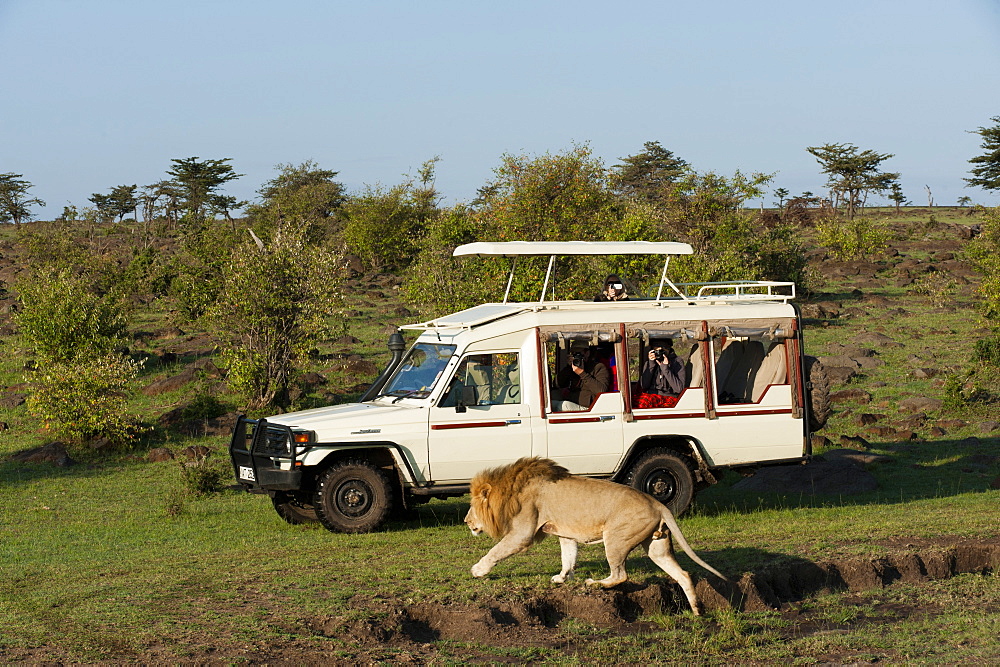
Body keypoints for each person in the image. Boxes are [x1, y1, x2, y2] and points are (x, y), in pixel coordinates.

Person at [551, 341, 610, 411]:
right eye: (574, 353)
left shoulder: (598, 367)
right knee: (551, 398)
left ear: (587, 353)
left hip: (589, 408)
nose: (576, 356)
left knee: (564, 405)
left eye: (578, 353)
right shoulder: (571, 368)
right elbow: (557, 384)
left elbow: (601, 390)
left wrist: (582, 374)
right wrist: (569, 368)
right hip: (572, 401)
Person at [636, 338, 686, 409]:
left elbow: (679, 389)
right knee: (638, 402)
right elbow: (643, 385)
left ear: (669, 349)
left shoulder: (677, 362)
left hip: (670, 396)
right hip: (652, 395)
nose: (660, 353)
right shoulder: (650, 362)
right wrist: (651, 364)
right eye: (657, 350)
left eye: (663, 350)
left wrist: (666, 368)